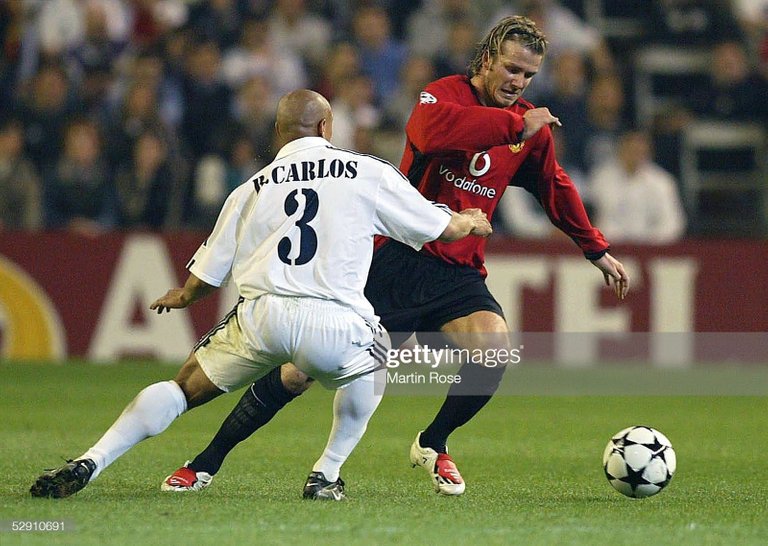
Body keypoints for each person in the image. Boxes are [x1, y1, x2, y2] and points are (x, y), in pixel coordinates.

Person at [161, 15, 630, 497]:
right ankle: (205, 462)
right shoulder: (442, 95)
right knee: (297, 373)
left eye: (529, 76)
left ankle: (433, 442)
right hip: (393, 262)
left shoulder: (528, 128)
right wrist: (516, 124)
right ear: (487, 59)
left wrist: (596, 249)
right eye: (511, 69)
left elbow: (555, 187)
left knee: (493, 350)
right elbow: (432, 134)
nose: (518, 82)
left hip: (457, 274)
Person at [29, 89, 492, 501]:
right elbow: (442, 228)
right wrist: (469, 218)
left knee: (182, 387)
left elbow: (207, 275)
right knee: (380, 351)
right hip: (335, 322)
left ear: (279, 133)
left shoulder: (249, 187)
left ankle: (92, 459)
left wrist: (185, 296)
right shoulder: (366, 171)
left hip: (262, 316)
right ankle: (326, 474)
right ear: (327, 127)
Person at [590, 129, 686, 244]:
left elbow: (673, 223)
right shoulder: (600, 179)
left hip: (653, 249)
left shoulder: (662, 182)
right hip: (611, 248)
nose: (634, 155)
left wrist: (647, 243)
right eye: (630, 149)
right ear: (620, 149)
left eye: (639, 150)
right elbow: (596, 219)